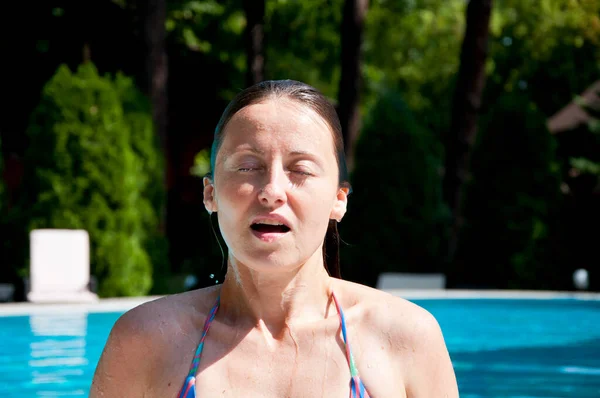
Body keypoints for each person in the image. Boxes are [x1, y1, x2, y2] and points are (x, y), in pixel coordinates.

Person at [89, 80, 459, 398]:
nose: (272, 191)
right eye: (248, 166)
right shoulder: (145, 340)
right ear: (211, 194)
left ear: (339, 199)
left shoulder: (405, 337)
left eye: (300, 169)